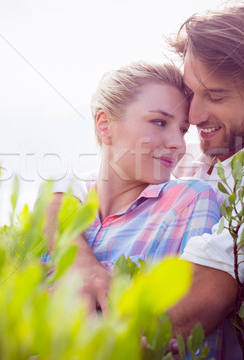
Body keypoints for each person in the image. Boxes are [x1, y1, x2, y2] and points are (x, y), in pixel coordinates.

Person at [51, 3, 244, 359]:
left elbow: (211, 289)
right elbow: (67, 188)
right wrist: (81, 263)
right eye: (191, 93)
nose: (194, 114)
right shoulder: (185, 167)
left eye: (215, 96)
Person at [47, 61, 221, 314]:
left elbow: (188, 335)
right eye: (160, 122)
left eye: (183, 130)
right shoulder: (63, 212)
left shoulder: (188, 201)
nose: (178, 144)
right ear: (105, 124)